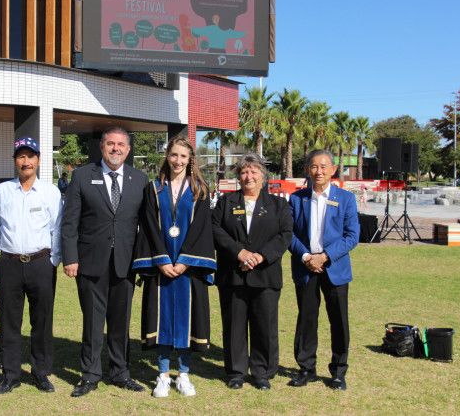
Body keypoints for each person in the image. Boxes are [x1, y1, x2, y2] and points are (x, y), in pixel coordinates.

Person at [61, 127, 148, 397]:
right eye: (110, 144)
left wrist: (145, 262)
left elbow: (146, 226)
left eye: (121, 144)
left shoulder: (140, 179)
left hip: (126, 262)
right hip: (89, 262)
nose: (115, 149)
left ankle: (120, 372)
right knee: (93, 322)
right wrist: (70, 257)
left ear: (128, 149)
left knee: (121, 322)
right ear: (101, 147)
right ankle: (90, 374)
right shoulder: (82, 176)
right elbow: (69, 222)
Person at [132, 136, 216, 398]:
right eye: (174, 155)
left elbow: (202, 228)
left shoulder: (200, 189)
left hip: (187, 269)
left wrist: (184, 260)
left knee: (188, 323)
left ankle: (184, 375)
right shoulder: (154, 188)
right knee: (162, 319)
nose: (178, 161)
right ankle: (162, 374)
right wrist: (162, 259)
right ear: (166, 156)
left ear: (190, 159)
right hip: (162, 268)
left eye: (183, 156)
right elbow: (148, 226)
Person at [0, 137, 62, 394]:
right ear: (15, 161)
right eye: (20, 156)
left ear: (38, 160)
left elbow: (57, 229)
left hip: (41, 263)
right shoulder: (3, 191)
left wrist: (54, 261)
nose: (25, 161)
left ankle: (40, 372)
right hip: (9, 263)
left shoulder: (50, 191)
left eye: (30, 156)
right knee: (9, 322)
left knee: (42, 322)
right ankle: (11, 375)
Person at [212, 153, 293, 391]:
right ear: (238, 176)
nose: (249, 176)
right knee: (234, 325)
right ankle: (236, 371)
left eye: (254, 172)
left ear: (263, 176)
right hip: (233, 274)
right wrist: (240, 253)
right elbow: (215, 229)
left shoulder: (278, 205)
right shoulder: (227, 202)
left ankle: (262, 372)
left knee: (265, 326)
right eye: (244, 172)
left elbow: (285, 234)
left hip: (265, 275)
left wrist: (260, 256)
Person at [288, 150, 359, 391]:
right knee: (307, 320)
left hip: (335, 268)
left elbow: (352, 236)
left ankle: (338, 371)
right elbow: (289, 235)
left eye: (323, 166)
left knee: (338, 321)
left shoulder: (346, 199)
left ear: (333, 170)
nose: (319, 171)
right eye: (314, 166)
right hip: (306, 267)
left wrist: (325, 256)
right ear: (308, 169)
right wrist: (308, 256)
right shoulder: (297, 199)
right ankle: (306, 368)